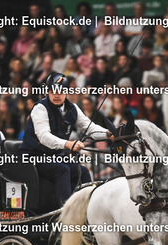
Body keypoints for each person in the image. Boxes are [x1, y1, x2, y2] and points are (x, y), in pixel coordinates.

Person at [20, 73, 110, 206]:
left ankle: (88, 208)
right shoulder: (40, 108)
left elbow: (89, 128)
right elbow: (44, 136)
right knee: (62, 170)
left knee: (83, 171)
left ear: (67, 92)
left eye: (61, 91)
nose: (56, 95)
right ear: (47, 92)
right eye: (53, 91)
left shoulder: (72, 108)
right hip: (34, 157)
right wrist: (68, 144)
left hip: (55, 156)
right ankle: (65, 211)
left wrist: (108, 134)